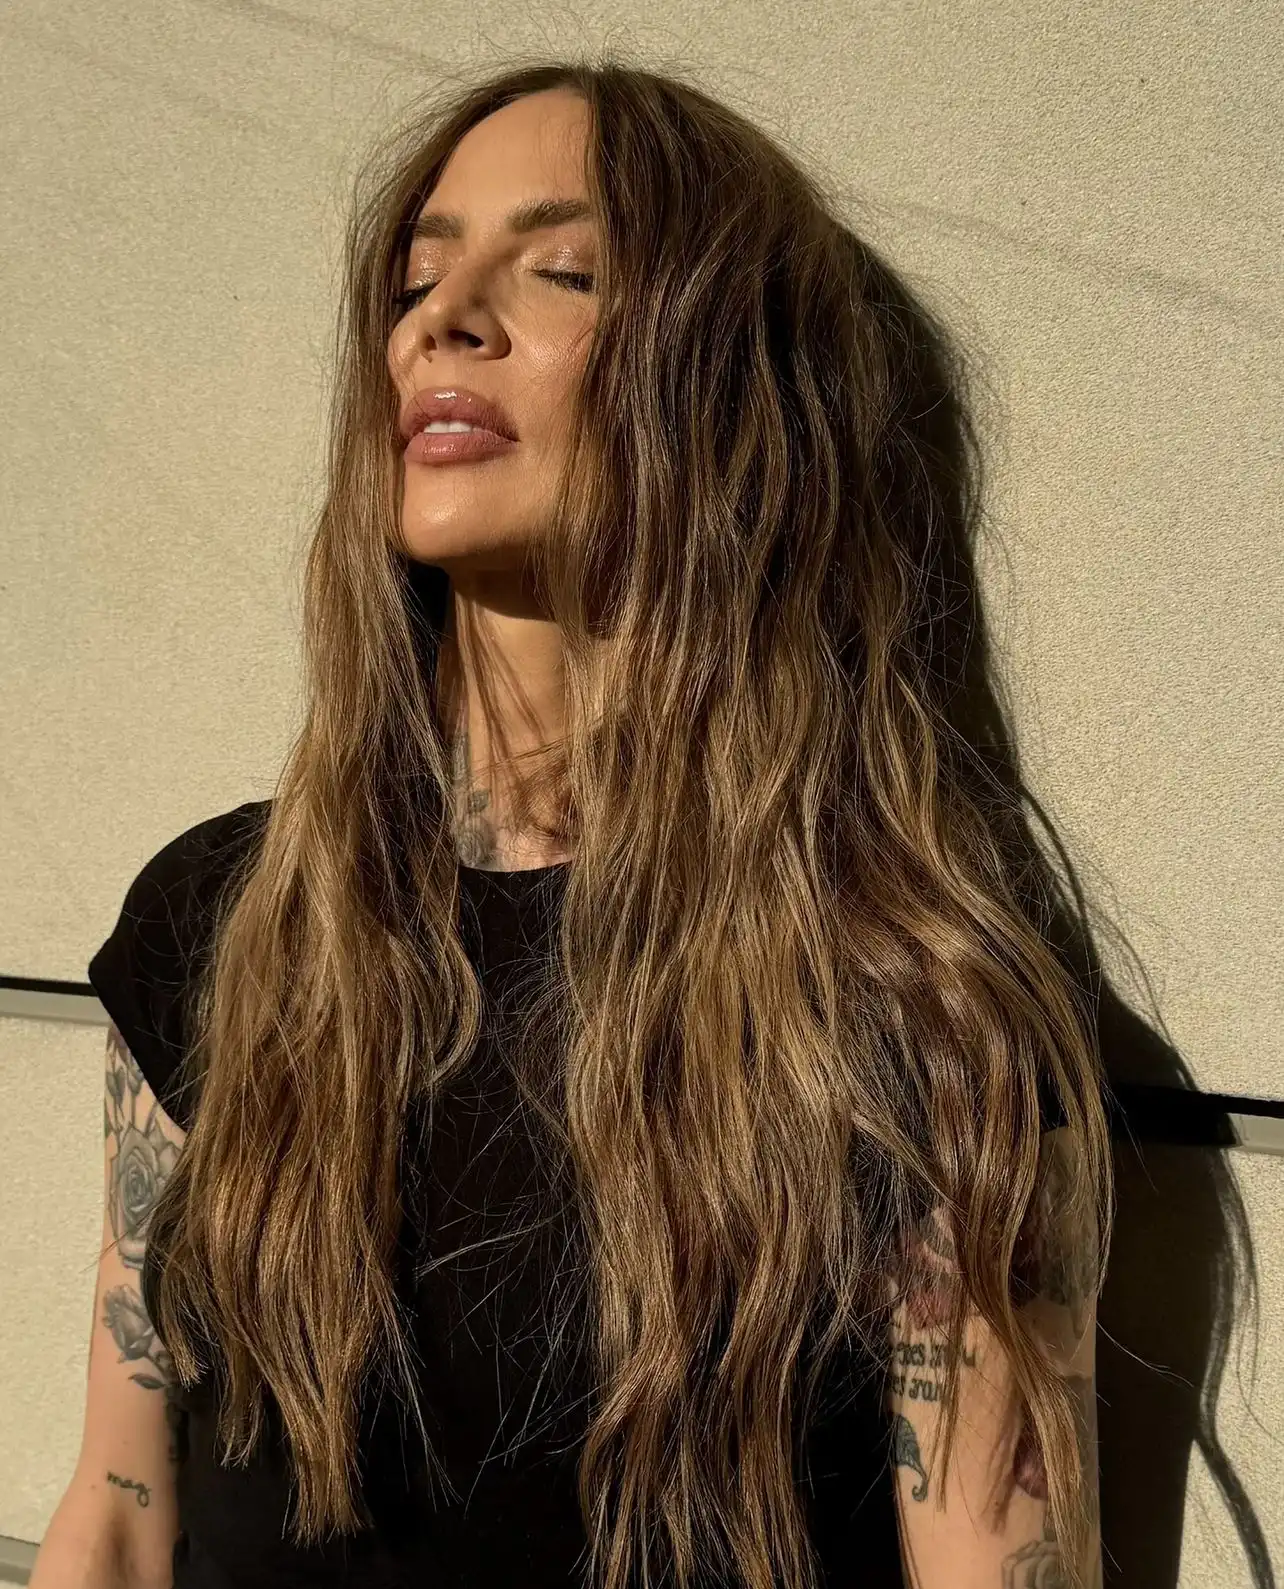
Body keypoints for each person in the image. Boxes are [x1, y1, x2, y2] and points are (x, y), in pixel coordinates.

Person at [35, 56, 1110, 1589]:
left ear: (729, 389)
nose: (443, 321)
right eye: (416, 281)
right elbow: (118, 1516)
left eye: (565, 273)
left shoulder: (908, 988)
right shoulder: (225, 919)